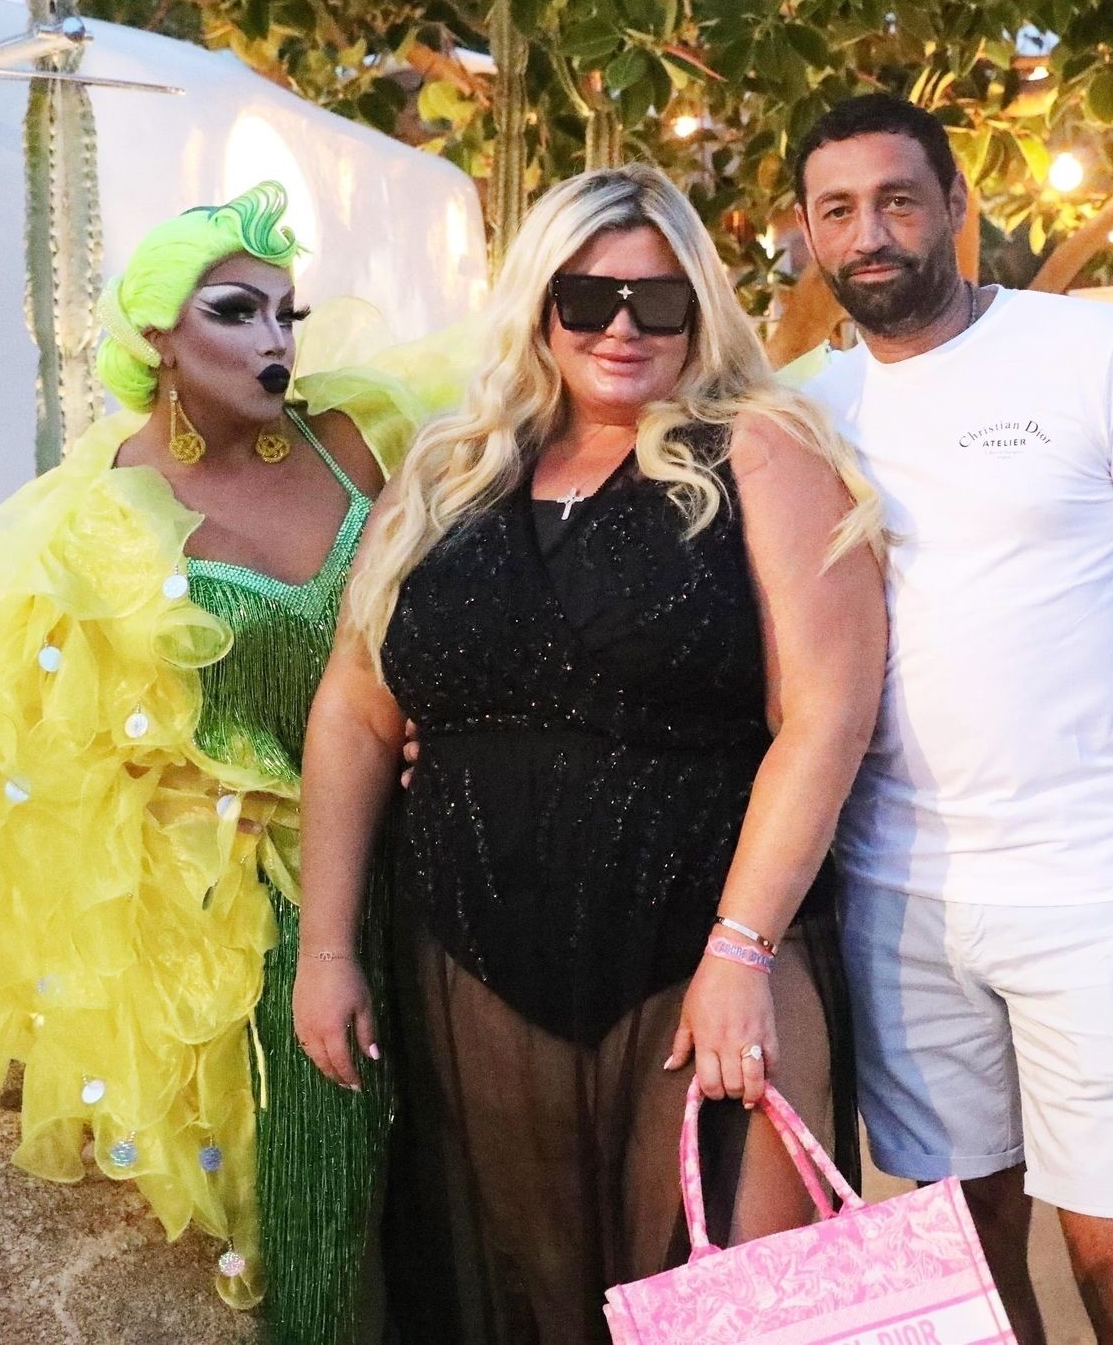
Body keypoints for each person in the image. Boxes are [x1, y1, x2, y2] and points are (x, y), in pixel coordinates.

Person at [290, 164, 889, 1344]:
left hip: (704, 952)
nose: (623, 328)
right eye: (587, 297)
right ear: (538, 304)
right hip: (473, 966)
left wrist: (741, 948)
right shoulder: (447, 472)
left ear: (700, 310)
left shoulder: (758, 449)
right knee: (530, 1309)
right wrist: (326, 946)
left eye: (658, 301)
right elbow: (354, 712)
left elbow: (826, 715)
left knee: (747, 1315)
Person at [0, 183, 451, 1340]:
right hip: (258, 909)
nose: (275, 340)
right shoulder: (104, 516)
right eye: (236, 311)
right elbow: (60, 762)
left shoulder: (360, 441)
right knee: (320, 1178)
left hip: (423, 855)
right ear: (159, 337)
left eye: (286, 314)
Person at [791, 94, 1113, 1345]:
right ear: (806, 232)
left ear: (957, 207)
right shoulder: (803, 405)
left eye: (899, 200)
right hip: (896, 897)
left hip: (1088, 888)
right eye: (839, 210)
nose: (871, 234)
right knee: (969, 1259)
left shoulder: (1094, 356)